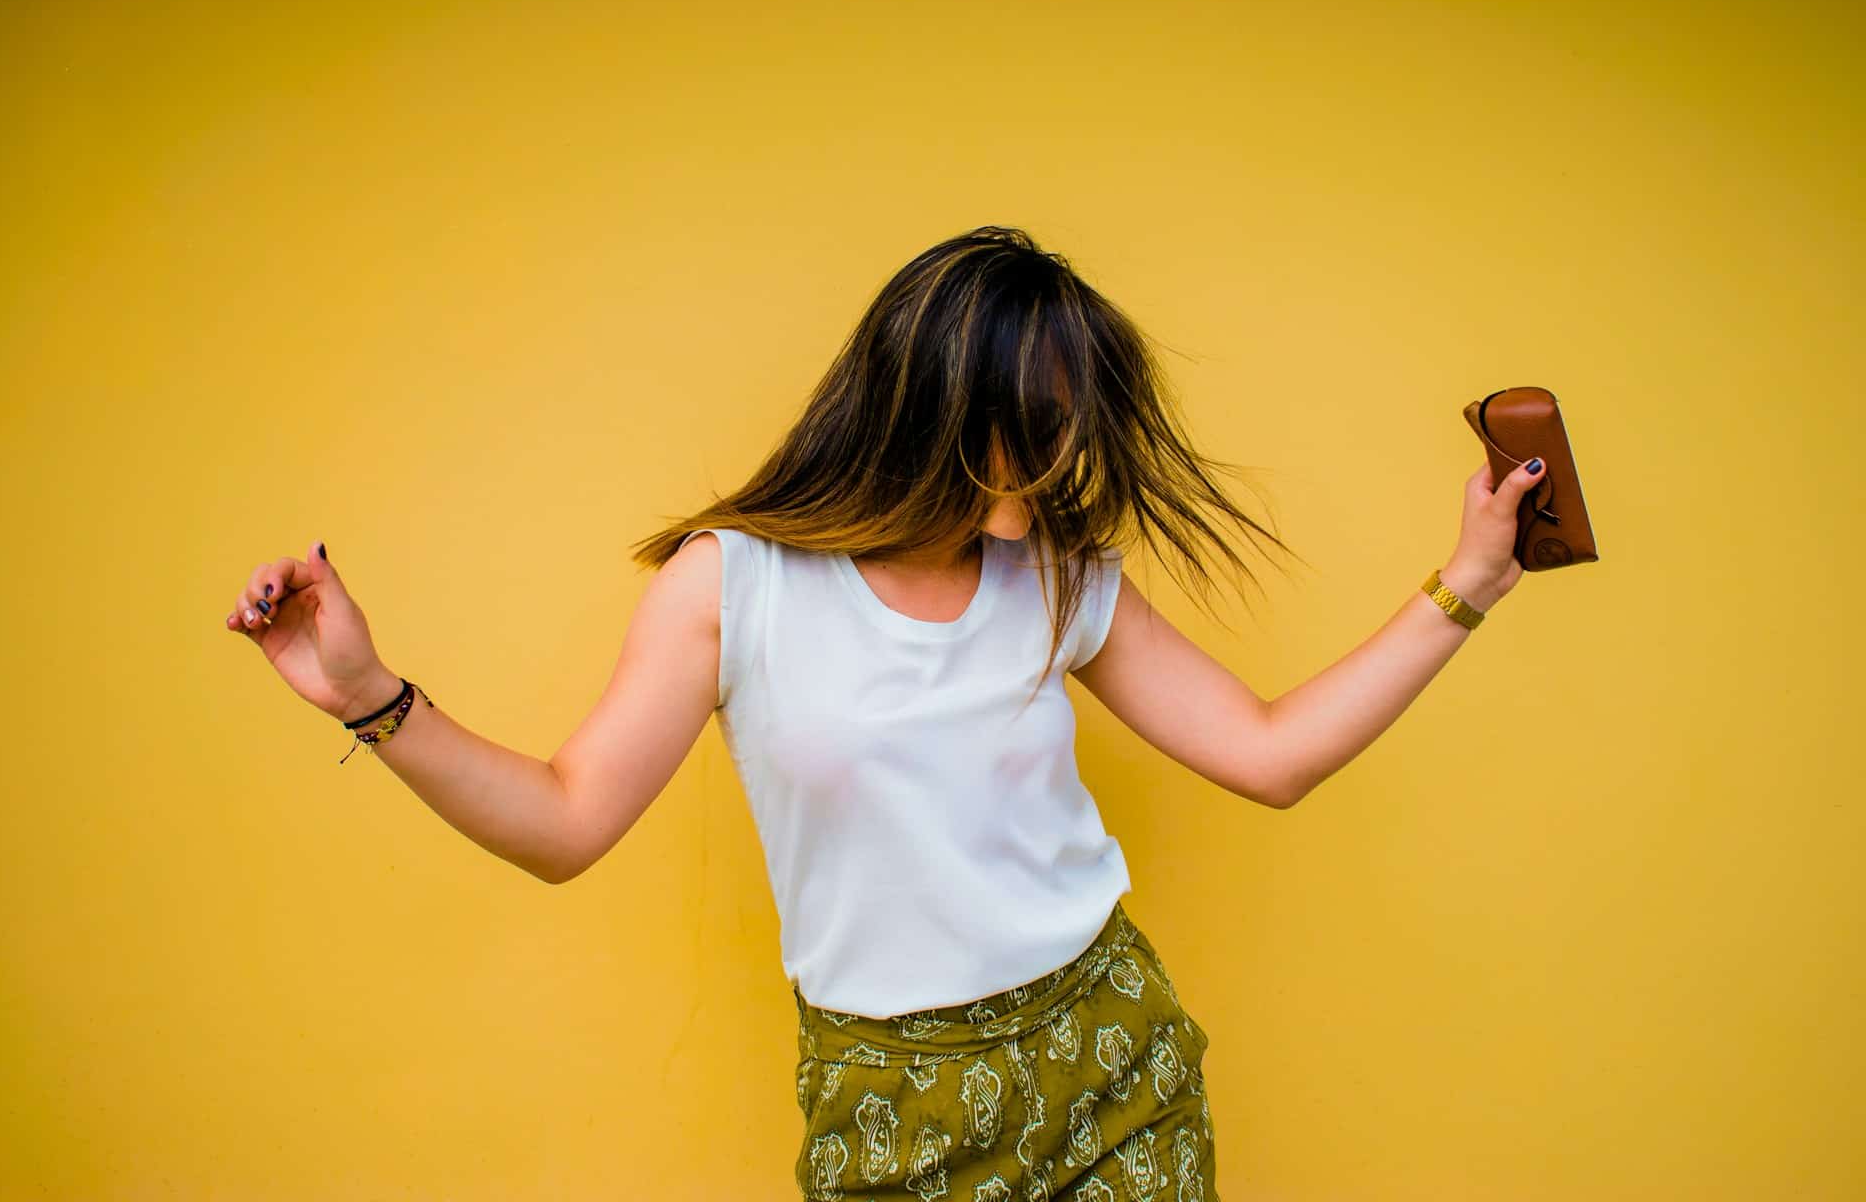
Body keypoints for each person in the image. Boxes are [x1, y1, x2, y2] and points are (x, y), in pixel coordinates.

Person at [223, 225, 1547, 1199]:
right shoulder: (731, 585)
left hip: (1112, 1063)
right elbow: (567, 823)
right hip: (888, 1100)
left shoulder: (1060, 575)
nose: (1074, 455)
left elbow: (1270, 755)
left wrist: (1469, 583)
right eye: (1047, 421)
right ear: (938, 415)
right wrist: (370, 701)